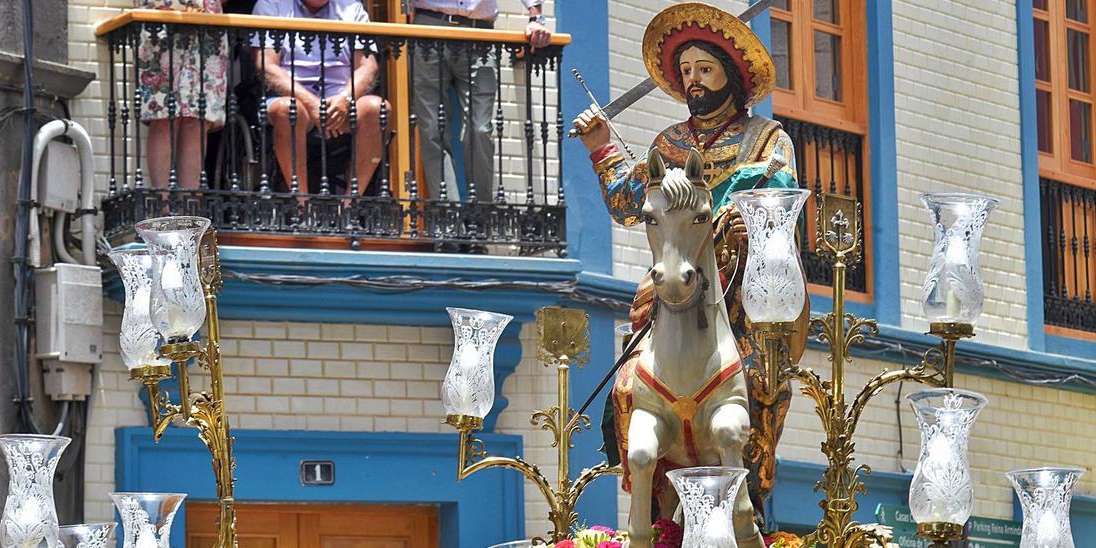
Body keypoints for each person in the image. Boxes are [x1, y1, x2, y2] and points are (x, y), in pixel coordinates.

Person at [571, 1, 810, 534]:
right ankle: (652, 502)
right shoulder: (668, 144)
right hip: (675, 287)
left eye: (705, 69)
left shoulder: (767, 139)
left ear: (732, 74)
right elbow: (630, 203)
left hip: (744, 293)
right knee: (630, 383)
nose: (694, 80)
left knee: (759, 379)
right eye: (686, 71)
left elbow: (778, 201)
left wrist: (755, 227)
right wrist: (600, 147)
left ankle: (751, 492)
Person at [410, 0, 551, 202]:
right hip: (428, 29)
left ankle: (481, 214)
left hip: (479, 35)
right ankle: (449, 217)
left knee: (480, 129)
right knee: (432, 130)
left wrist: (536, 18)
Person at [252, 0, 388, 195]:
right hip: (292, 98)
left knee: (378, 108)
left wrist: (345, 99)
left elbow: (368, 66)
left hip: (341, 101)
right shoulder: (271, 5)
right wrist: (311, 103)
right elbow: (266, 66)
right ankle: (302, 207)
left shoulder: (351, 8)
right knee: (289, 110)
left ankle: (351, 206)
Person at [136, 0, 229, 189]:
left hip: (207, 27)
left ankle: (190, 207)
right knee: (163, 116)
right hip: (162, 22)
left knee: (197, 119)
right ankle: (163, 208)